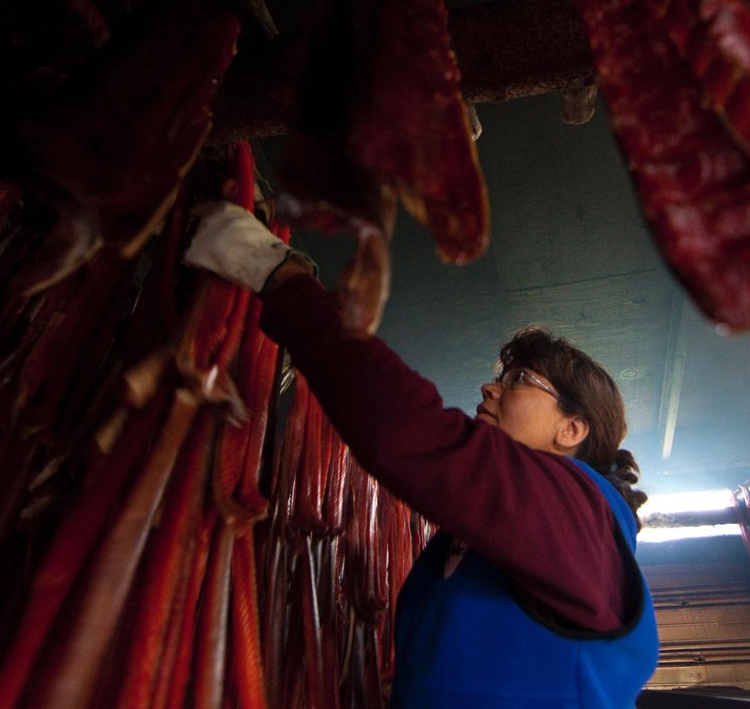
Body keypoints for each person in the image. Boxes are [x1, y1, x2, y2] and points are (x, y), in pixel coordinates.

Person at [186, 202, 660, 707]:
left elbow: (407, 431)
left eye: (519, 381)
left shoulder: (579, 514)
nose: (491, 388)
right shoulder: (486, 539)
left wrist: (280, 278)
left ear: (572, 429)